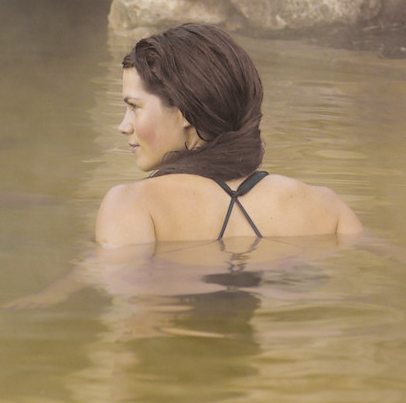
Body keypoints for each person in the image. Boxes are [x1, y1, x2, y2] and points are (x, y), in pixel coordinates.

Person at [95, 23, 362, 246]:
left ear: (185, 112)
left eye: (134, 107)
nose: (124, 125)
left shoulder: (131, 206)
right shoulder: (325, 205)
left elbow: (138, 296)